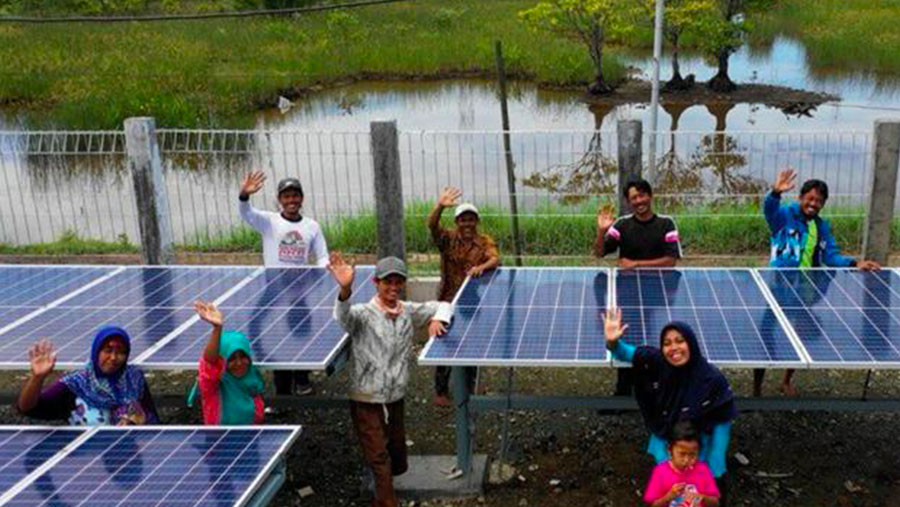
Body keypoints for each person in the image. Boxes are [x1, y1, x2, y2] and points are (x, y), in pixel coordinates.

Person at [329, 253, 453, 507]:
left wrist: (438, 318)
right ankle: (387, 501)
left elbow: (445, 305)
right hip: (366, 395)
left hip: (396, 394)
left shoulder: (407, 311)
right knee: (378, 453)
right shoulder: (363, 314)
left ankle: (385, 486)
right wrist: (345, 289)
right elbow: (342, 318)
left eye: (398, 282)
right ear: (377, 282)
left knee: (396, 450)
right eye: (388, 282)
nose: (393, 287)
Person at [754, 168, 881, 396]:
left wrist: (854, 263)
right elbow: (769, 210)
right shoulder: (784, 216)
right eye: (810, 198)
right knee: (766, 334)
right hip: (778, 288)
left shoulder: (821, 226)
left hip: (806, 290)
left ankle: (786, 380)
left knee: (800, 335)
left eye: (819, 201)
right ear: (801, 198)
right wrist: (775, 192)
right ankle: (756, 390)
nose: (813, 204)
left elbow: (830, 256)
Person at [604, 308, 736, 501]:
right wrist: (612, 340)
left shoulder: (711, 378)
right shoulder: (657, 362)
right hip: (666, 438)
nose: (673, 348)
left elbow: (723, 421)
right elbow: (624, 353)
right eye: (667, 344)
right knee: (670, 489)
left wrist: (715, 466)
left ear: (691, 343)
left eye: (680, 341)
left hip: (698, 443)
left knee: (701, 494)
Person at [239, 170, 329, 396]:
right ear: (280, 200)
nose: (291, 201)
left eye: (295, 196)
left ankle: (302, 379)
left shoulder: (312, 226)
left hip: (299, 292)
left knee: (300, 333)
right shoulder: (269, 222)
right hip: (274, 288)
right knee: (267, 331)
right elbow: (246, 212)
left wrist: (318, 276)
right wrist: (244, 195)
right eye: (286, 197)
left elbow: (322, 257)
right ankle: (281, 389)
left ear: (302, 199)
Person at [595, 178, 682, 396]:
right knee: (626, 337)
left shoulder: (666, 224)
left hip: (659, 291)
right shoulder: (622, 225)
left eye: (642, 195)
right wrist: (601, 231)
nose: (639, 201)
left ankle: (653, 390)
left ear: (650, 197)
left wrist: (636, 264)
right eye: (634, 197)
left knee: (655, 339)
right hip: (628, 292)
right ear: (628, 201)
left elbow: (671, 260)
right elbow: (599, 253)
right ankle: (623, 391)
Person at [427, 186, 500, 406]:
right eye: (462, 219)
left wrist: (482, 266)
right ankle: (441, 391)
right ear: (457, 222)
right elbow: (432, 225)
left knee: (473, 341)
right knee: (444, 340)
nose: (467, 223)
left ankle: (470, 386)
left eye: (471, 219)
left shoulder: (484, 241)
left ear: (476, 221)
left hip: (472, 300)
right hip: (447, 298)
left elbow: (495, 259)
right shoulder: (447, 239)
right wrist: (440, 206)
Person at [17, 327, 159, 426]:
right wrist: (37, 378)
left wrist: (136, 419)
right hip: (87, 462)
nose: (114, 357)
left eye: (121, 352)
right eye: (107, 350)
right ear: (96, 351)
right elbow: (28, 408)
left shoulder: (134, 379)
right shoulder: (76, 383)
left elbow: (153, 419)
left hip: (128, 456)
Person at [189, 301, 266, 425]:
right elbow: (210, 362)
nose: (239, 363)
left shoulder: (253, 378)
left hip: (252, 436)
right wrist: (217, 328)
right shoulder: (214, 384)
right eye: (232, 359)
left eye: (243, 356)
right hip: (219, 439)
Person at [644, 420, 720, 507]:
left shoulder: (703, 470)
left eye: (693, 454)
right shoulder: (660, 472)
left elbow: (715, 503)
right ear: (669, 450)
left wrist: (703, 497)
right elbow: (653, 505)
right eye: (682, 454)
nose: (687, 459)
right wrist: (669, 497)